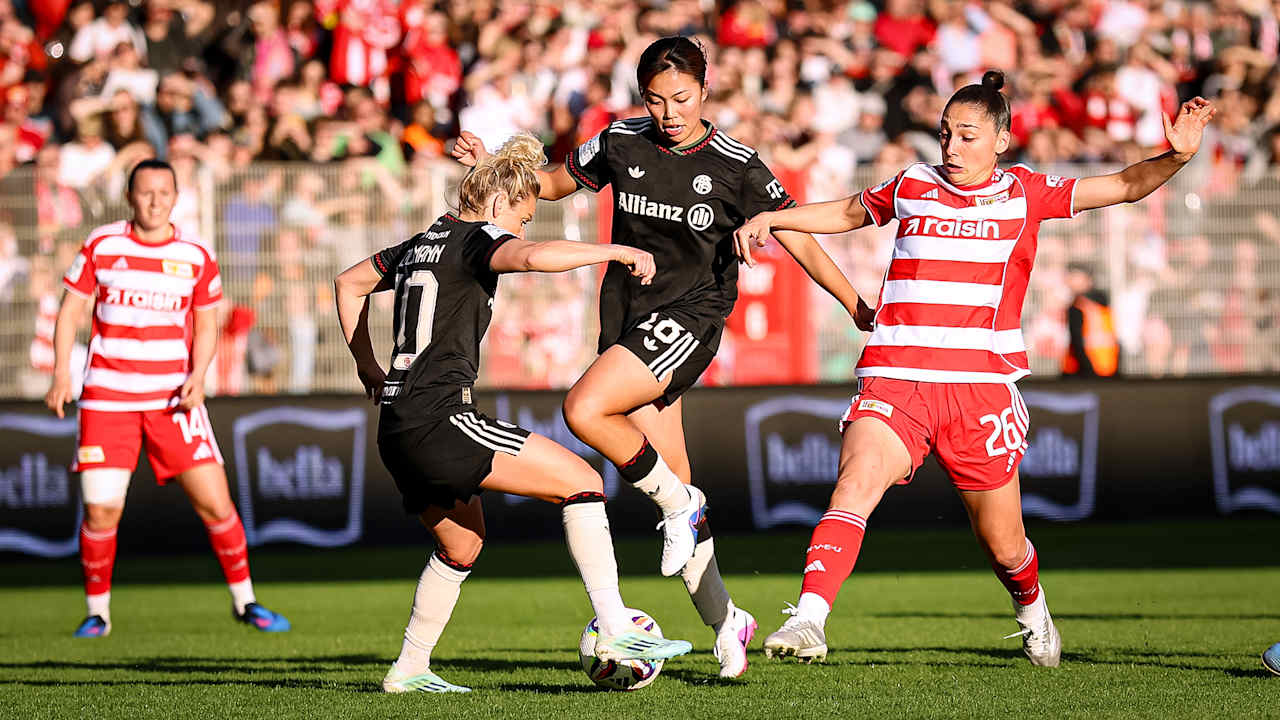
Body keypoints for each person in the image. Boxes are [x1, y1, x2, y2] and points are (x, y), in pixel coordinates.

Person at [735, 71, 1215, 667]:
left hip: (980, 388)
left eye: (966, 136)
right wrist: (775, 219)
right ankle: (810, 619)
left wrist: (1176, 155)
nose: (951, 148)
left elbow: (1122, 185)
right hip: (896, 373)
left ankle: (1033, 610)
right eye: (944, 134)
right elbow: (842, 214)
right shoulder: (910, 183)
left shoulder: (1025, 192)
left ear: (1001, 141)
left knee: (1003, 542)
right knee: (855, 483)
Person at [452, 36, 871, 678]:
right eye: (656, 98)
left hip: (692, 317)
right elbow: (551, 184)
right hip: (627, 324)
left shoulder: (736, 164)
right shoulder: (621, 141)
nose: (669, 111)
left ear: (705, 91)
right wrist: (488, 166)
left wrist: (853, 302)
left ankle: (681, 509)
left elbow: (798, 235)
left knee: (584, 409)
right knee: (671, 481)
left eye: (681, 98)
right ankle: (728, 622)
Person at [334, 134, 692, 694]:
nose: (524, 227)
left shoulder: (424, 242)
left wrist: (367, 366)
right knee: (582, 482)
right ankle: (618, 629)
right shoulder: (480, 239)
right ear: (499, 206)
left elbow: (349, 281)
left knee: (462, 545)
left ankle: (409, 668)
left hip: (397, 424)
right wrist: (616, 251)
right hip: (440, 418)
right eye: (525, 215)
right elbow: (531, 256)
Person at [45, 159, 290, 638]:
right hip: (106, 400)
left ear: (176, 198)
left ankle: (247, 603)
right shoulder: (102, 243)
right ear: (130, 197)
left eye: (163, 192)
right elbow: (71, 307)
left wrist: (199, 374)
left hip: (172, 399)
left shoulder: (196, 254)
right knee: (101, 511)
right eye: (145, 192)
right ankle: (98, 612)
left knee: (216, 503)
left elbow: (207, 320)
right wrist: (60, 372)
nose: (155, 201)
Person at [1061, 263, 1119, 378]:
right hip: (1108, 368)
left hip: (1083, 372)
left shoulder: (1078, 306)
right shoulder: (1104, 305)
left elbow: (1077, 341)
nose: (1069, 280)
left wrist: (1089, 371)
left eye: (1074, 275)